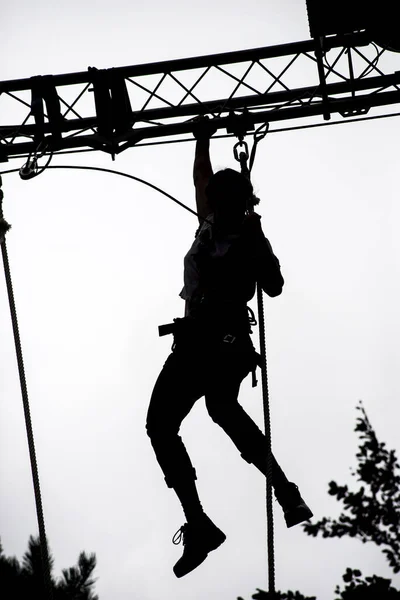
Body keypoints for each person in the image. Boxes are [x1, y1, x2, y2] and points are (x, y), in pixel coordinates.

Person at [146, 119, 313, 579]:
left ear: (242, 204)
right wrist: (202, 137)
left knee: (215, 409)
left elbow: (275, 287)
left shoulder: (248, 237)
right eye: (216, 203)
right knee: (168, 424)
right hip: (202, 338)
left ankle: (282, 490)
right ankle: (204, 521)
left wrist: (259, 248)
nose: (216, 207)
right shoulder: (210, 223)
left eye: (225, 203)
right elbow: (201, 178)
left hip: (221, 339)